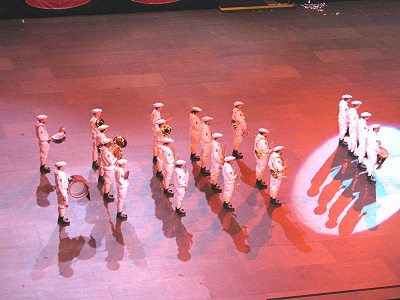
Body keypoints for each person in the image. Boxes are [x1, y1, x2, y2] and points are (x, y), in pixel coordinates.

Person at [54, 161, 71, 226]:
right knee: (62, 204)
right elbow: (60, 185)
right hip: (62, 191)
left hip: (62, 190)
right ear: (60, 167)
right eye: (63, 167)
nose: (64, 168)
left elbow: (66, 176)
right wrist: (63, 195)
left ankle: (61, 217)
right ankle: (61, 219)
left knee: (62, 204)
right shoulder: (60, 174)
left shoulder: (60, 173)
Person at [101, 138, 117, 202]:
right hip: (108, 169)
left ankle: (107, 194)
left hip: (109, 169)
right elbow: (111, 162)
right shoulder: (106, 153)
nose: (111, 143)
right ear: (107, 144)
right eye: (110, 142)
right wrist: (116, 157)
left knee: (108, 182)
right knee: (108, 183)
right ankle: (106, 195)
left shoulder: (106, 151)